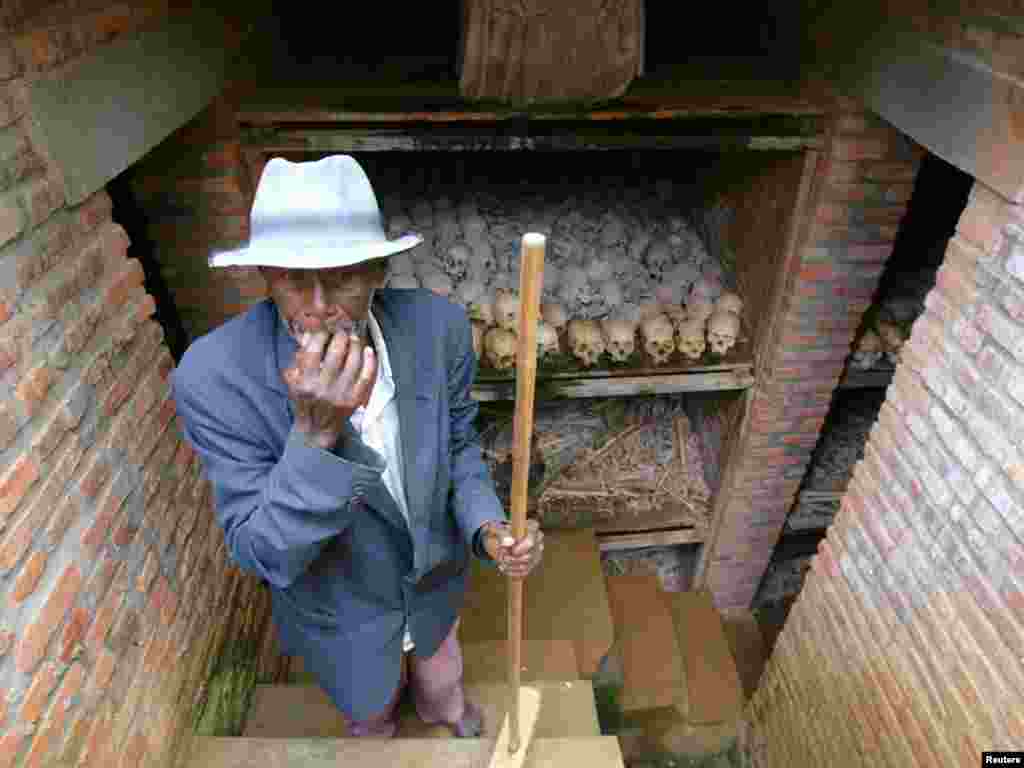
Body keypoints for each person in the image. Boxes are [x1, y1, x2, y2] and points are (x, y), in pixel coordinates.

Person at [171, 155, 544, 739]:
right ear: (266, 276)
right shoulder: (215, 377)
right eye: (295, 280)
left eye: (342, 276)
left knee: (443, 683)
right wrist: (315, 436)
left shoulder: (437, 330)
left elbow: (459, 448)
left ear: (377, 271)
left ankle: (446, 713)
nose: (319, 306)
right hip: (340, 616)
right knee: (370, 715)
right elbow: (260, 553)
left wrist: (489, 528)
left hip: (433, 584)